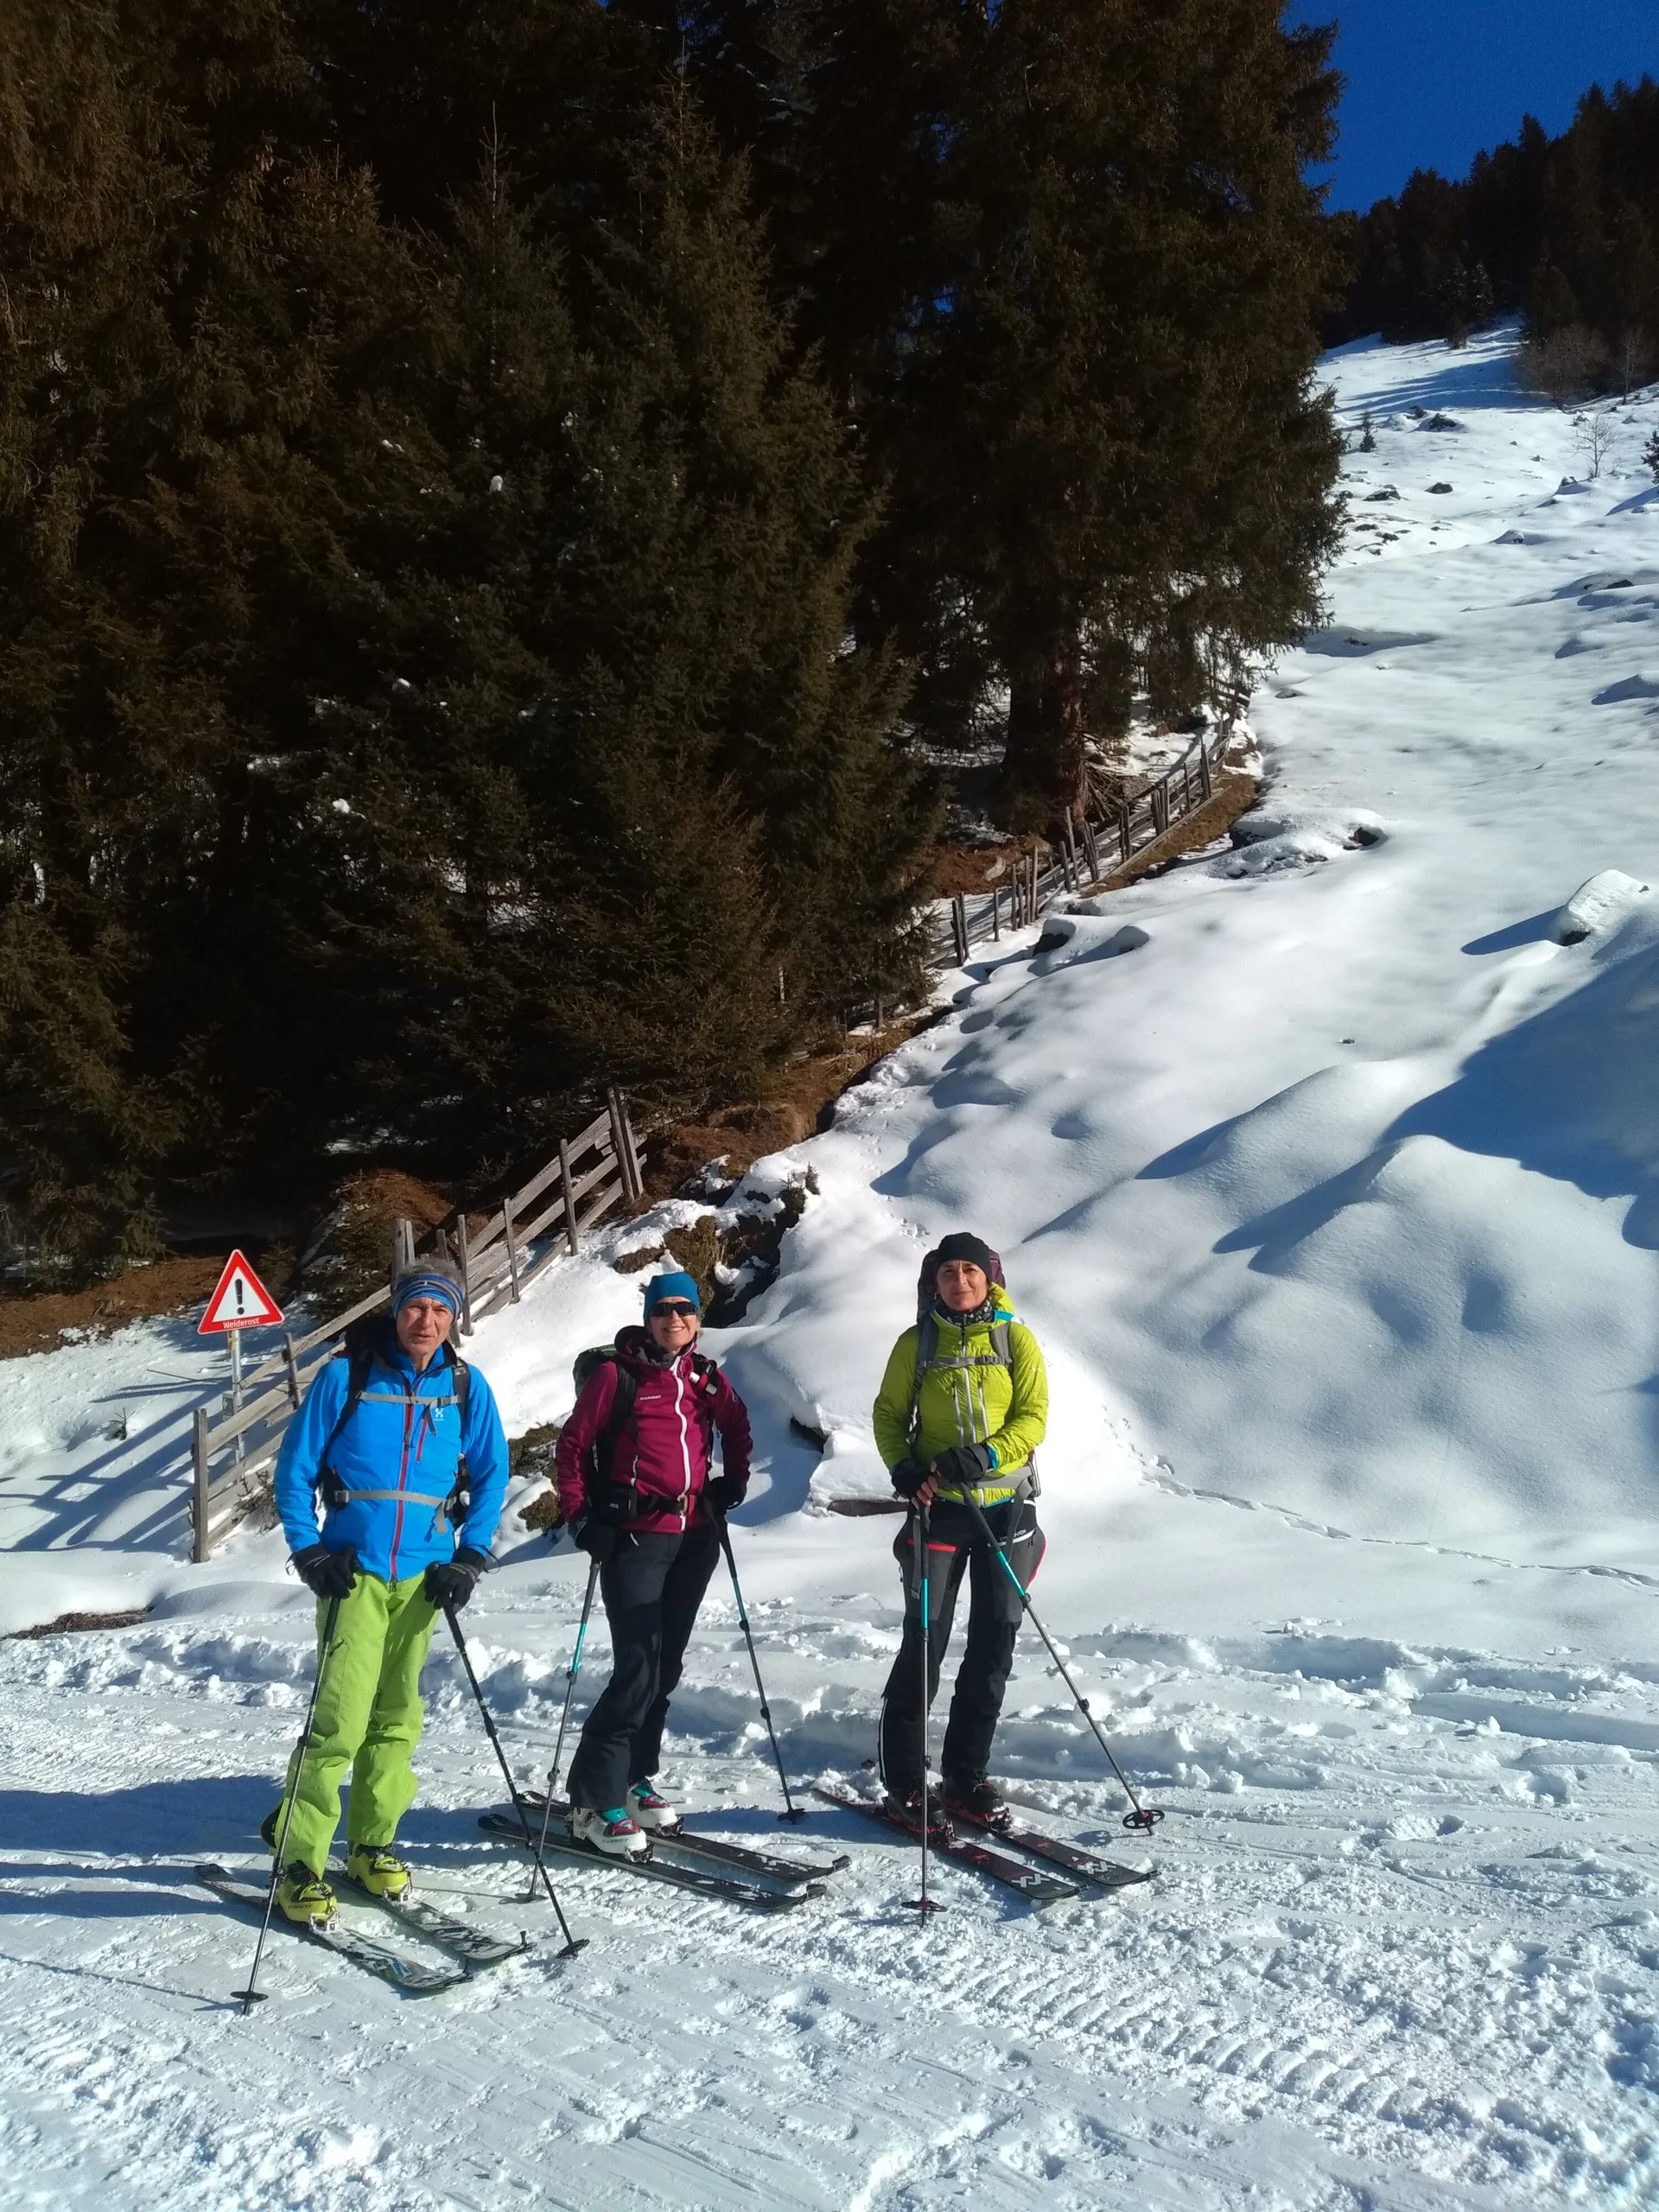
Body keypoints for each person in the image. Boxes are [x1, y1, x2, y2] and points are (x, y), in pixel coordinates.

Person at [266, 1262, 509, 1923]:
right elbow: (293, 1472)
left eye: (438, 1309)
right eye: (414, 1307)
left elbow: (492, 1475)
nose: (424, 1320)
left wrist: (470, 1556)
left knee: (397, 1718)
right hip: (355, 1574)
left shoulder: (465, 1386)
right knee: (339, 1721)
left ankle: (371, 1844)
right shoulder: (347, 1376)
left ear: (453, 1317)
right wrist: (308, 1547)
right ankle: (299, 1860)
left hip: (425, 1579)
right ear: (396, 1311)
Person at [554, 1270, 753, 1857]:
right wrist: (581, 1518)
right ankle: (592, 1800)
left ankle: (635, 1778)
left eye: (684, 1310)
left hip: (694, 1535)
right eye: (663, 1310)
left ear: (696, 1318)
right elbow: (570, 1448)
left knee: (665, 1666)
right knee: (637, 1667)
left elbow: (738, 1428)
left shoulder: (704, 1376)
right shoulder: (617, 1377)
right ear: (648, 1318)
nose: (674, 1320)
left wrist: (732, 1484)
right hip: (637, 1538)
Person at [871, 1231, 1049, 1834]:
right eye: (949, 1272)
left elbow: (1033, 1417)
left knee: (993, 1644)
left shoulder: (1015, 1338)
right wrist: (905, 1468)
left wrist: (987, 1454)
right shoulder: (916, 1344)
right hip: (940, 1508)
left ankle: (965, 1776)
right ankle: (904, 1783)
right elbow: (889, 1416)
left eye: (970, 1270)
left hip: (1007, 1510)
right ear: (934, 1282)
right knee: (924, 1642)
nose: (961, 1282)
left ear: (990, 1277)